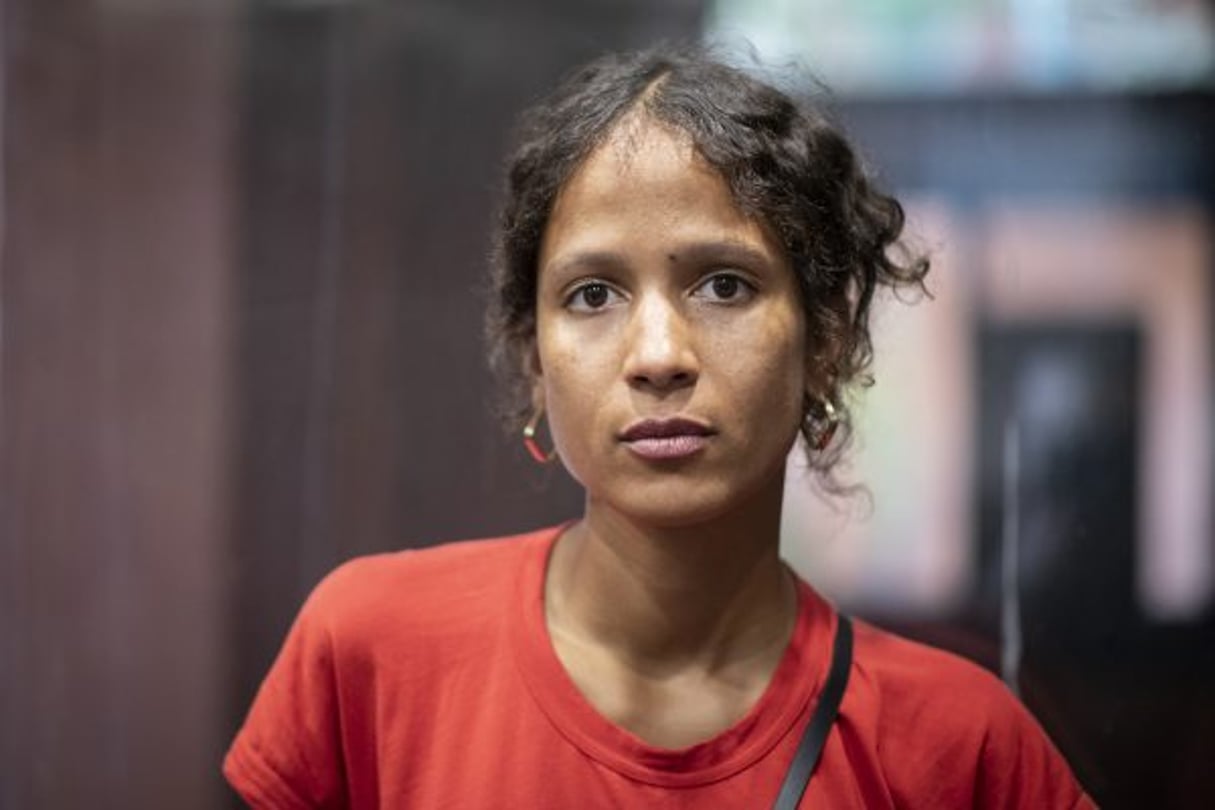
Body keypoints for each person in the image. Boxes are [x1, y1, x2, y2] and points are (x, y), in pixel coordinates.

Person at [224, 46, 1094, 808]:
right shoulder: (371, 651)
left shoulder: (957, 744)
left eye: (723, 285)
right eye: (592, 294)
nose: (657, 355)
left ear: (823, 342)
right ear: (534, 357)